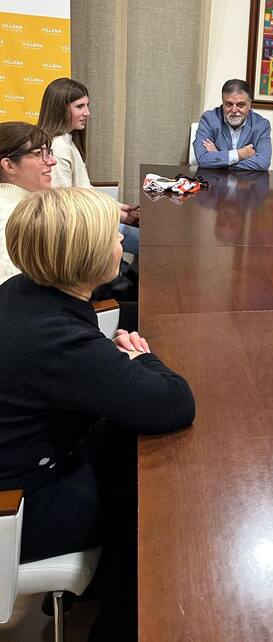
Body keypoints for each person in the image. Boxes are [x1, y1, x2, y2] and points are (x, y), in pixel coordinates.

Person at [0, 187, 195, 640]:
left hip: (29, 462)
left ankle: (92, 596)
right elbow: (174, 403)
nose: (120, 243)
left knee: (130, 448)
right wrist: (142, 358)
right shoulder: (59, 341)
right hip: (18, 508)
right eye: (112, 236)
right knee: (159, 506)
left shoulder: (24, 290)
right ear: (84, 255)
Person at [37, 77, 140, 255]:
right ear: (59, 109)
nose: (87, 113)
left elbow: (84, 191)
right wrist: (121, 216)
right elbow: (66, 207)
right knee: (155, 244)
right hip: (83, 231)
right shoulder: (59, 147)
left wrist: (121, 208)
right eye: (80, 107)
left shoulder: (68, 140)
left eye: (87, 105)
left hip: (90, 222)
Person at [0, 122, 57, 284]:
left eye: (48, 153)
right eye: (39, 153)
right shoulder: (11, 216)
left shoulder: (24, 208)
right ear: (8, 165)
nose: (52, 161)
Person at [193, 78, 272, 171]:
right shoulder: (209, 119)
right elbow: (202, 159)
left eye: (240, 105)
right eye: (229, 104)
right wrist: (240, 154)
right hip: (215, 181)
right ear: (222, 103)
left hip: (247, 183)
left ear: (249, 104)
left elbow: (263, 163)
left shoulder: (261, 125)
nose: (234, 110)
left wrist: (219, 157)